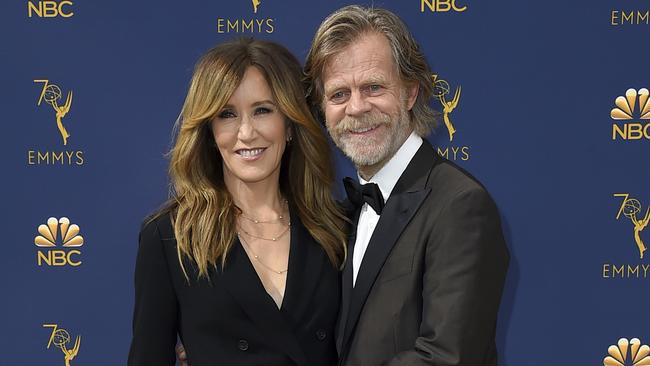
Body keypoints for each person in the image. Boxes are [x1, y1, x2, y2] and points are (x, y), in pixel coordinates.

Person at [302, 5, 510, 366]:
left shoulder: (460, 206)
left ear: (411, 92)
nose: (356, 107)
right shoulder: (342, 215)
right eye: (338, 94)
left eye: (374, 87)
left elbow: (447, 358)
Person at [128, 37, 347, 366]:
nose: (246, 133)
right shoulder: (170, 238)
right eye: (227, 114)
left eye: (262, 110)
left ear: (289, 124)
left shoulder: (337, 228)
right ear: (210, 132)